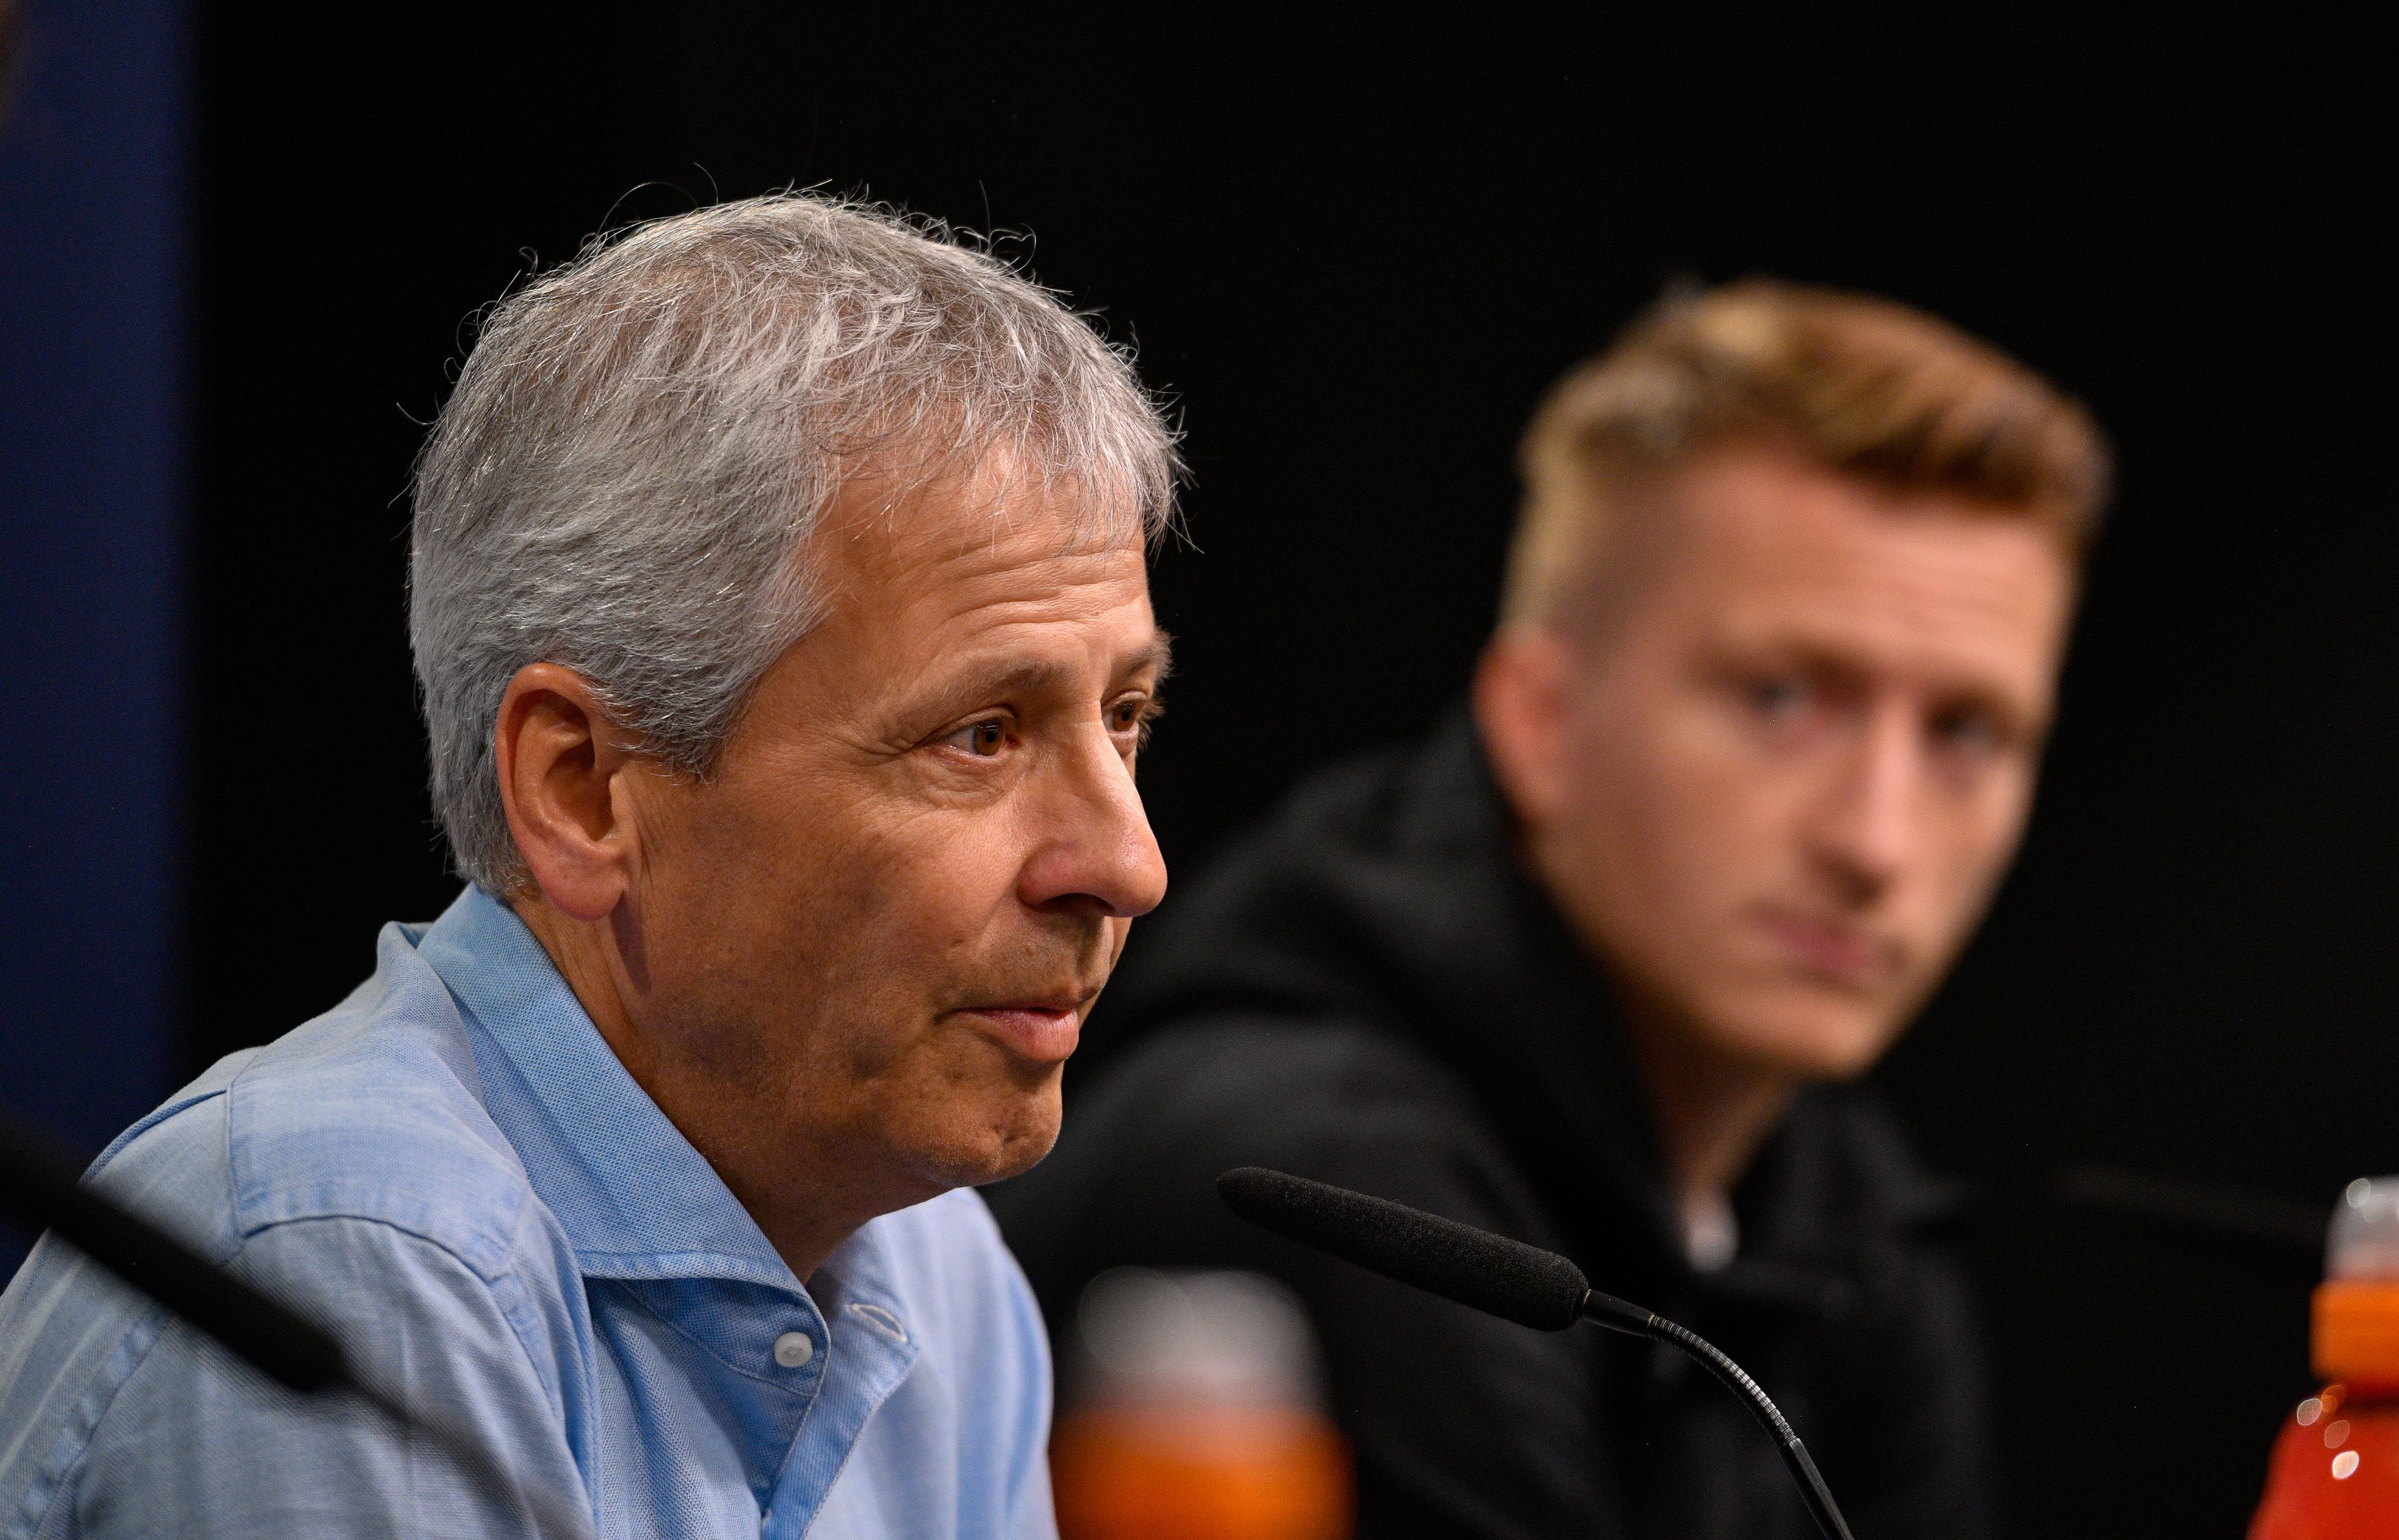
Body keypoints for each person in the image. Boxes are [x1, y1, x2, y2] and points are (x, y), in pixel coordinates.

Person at [0, 195, 1177, 1538]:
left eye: (1127, 717)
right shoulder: (346, 1260)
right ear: (581, 790)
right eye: (979, 735)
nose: (1126, 863)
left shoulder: (929, 1260)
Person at [992, 281, 2109, 1539]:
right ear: (1542, 725)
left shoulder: (1844, 1208)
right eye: (1785, 699)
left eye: (1966, 732)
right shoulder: (1338, 1184)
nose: (1875, 840)